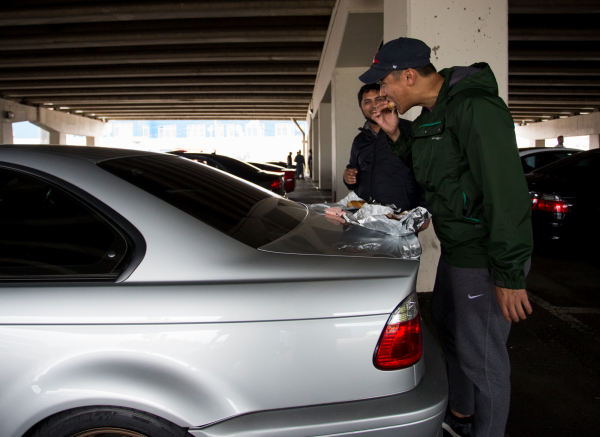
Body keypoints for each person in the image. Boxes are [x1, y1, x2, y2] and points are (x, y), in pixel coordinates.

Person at [360, 38, 533, 437]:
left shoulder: (475, 107)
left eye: (384, 84)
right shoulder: (430, 116)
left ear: (408, 75)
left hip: (484, 254)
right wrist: (396, 135)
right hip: (458, 250)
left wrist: (508, 273)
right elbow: (429, 164)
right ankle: (462, 413)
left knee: (483, 358)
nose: (380, 95)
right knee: (448, 327)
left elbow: (505, 192)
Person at [343, 83, 426, 211]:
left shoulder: (410, 129)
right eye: (367, 102)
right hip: (365, 213)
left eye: (378, 99)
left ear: (387, 102)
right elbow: (353, 169)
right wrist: (348, 178)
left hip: (400, 214)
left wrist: (425, 209)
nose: (374, 105)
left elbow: (426, 170)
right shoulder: (359, 140)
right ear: (361, 108)